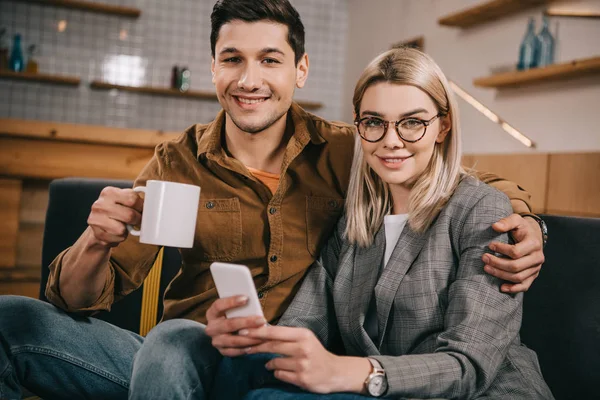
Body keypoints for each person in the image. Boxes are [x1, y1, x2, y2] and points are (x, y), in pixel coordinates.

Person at [0, 1, 545, 399]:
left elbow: (451, 180)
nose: (249, 79)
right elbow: (75, 302)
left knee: (170, 348)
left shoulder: (348, 149)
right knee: (14, 321)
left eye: (270, 60)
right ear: (213, 67)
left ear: (299, 70)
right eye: (232, 59)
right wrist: (95, 242)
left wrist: (527, 225)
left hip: (295, 360)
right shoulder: (177, 164)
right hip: (189, 353)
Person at [203, 47, 554, 400]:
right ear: (358, 125)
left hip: (481, 393)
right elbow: (304, 321)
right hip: (382, 393)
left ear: (442, 127)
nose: (390, 140)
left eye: (413, 122)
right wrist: (255, 336)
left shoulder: (479, 211)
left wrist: (357, 371)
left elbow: (469, 366)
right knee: (236, 367)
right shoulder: (354, 223)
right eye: (373, 122)